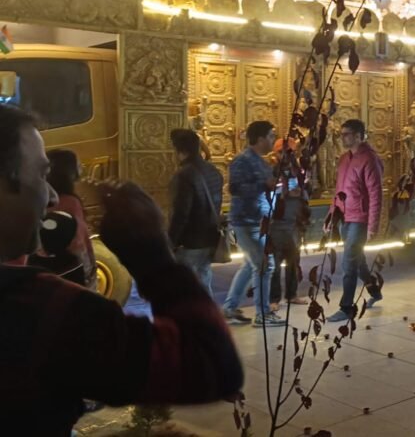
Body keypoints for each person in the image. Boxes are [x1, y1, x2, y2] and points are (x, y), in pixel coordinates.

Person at [0, 105, 242, 432]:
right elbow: (211, 365)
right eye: (42, 175)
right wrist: (153, 256)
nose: (53, 197)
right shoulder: (42, 310)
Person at [222, 121, 284, 327]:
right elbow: (235, 188)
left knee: (251, 265)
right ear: (260, 138)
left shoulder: (262, 162)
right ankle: (263, 315)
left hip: (259, 220)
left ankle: (230, 308)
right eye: (271, 136)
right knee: (265, 265)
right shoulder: (243, 160)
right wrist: (263, 185)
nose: (273, 140)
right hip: (245, 221)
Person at [327, 119, 384, 322]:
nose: (342, 138)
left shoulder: (369, 159)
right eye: (341, 134)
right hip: (345, 217)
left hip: (360, 218)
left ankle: (346, 308)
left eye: (347, 134)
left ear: (359, 136)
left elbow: (376, 195)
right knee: (357, 260)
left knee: (348, 263)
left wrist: (372, 226)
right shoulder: (344, 159)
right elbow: (339, 190)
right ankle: (374, 291)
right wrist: (332, 214)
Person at [168, 129, 224, 293]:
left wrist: (170, 241)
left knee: (183, 290)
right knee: (204, 285)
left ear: (179, 150)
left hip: (189, 242)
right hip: (209, 237)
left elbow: (181, 213)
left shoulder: (183, 175)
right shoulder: (213, 171)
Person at [43, 148, 97, 290]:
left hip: (49, 272)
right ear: (68, 170)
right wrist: (89, 274)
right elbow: (79, 242)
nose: (81, 167)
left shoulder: (42, 199)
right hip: (72, 271)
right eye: (77, 164)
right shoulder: (70, 202)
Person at [269, 139, 310, 309]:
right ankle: (274, 299)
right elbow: (268, 192)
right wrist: (285, 193)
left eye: (289, 152)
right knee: (275, 263)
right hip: (277, 223)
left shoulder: (299, 171)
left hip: (294, 222)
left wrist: (301, 193)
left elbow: (307, 190)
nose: (285, 156)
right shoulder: (273, 170)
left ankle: (292, 294)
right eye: (281, 152)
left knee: (293, 260)